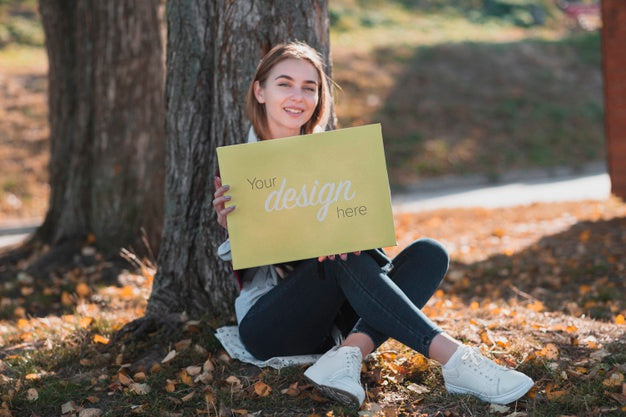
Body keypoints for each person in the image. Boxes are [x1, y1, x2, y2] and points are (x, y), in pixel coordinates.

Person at [212, 41, 534, 408]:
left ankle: (347, 354)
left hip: (340, 313)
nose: (297, 96)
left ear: (319, 97)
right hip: (275, 324)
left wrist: (352, 234)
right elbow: (255, 269)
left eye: (309, 87)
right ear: (260, 91)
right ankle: (456, 359)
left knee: (430, 252)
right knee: (336, 258)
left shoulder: (336, 159)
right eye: (284, 83)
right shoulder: (241, 169)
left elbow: (371, 257)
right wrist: (233, 228)